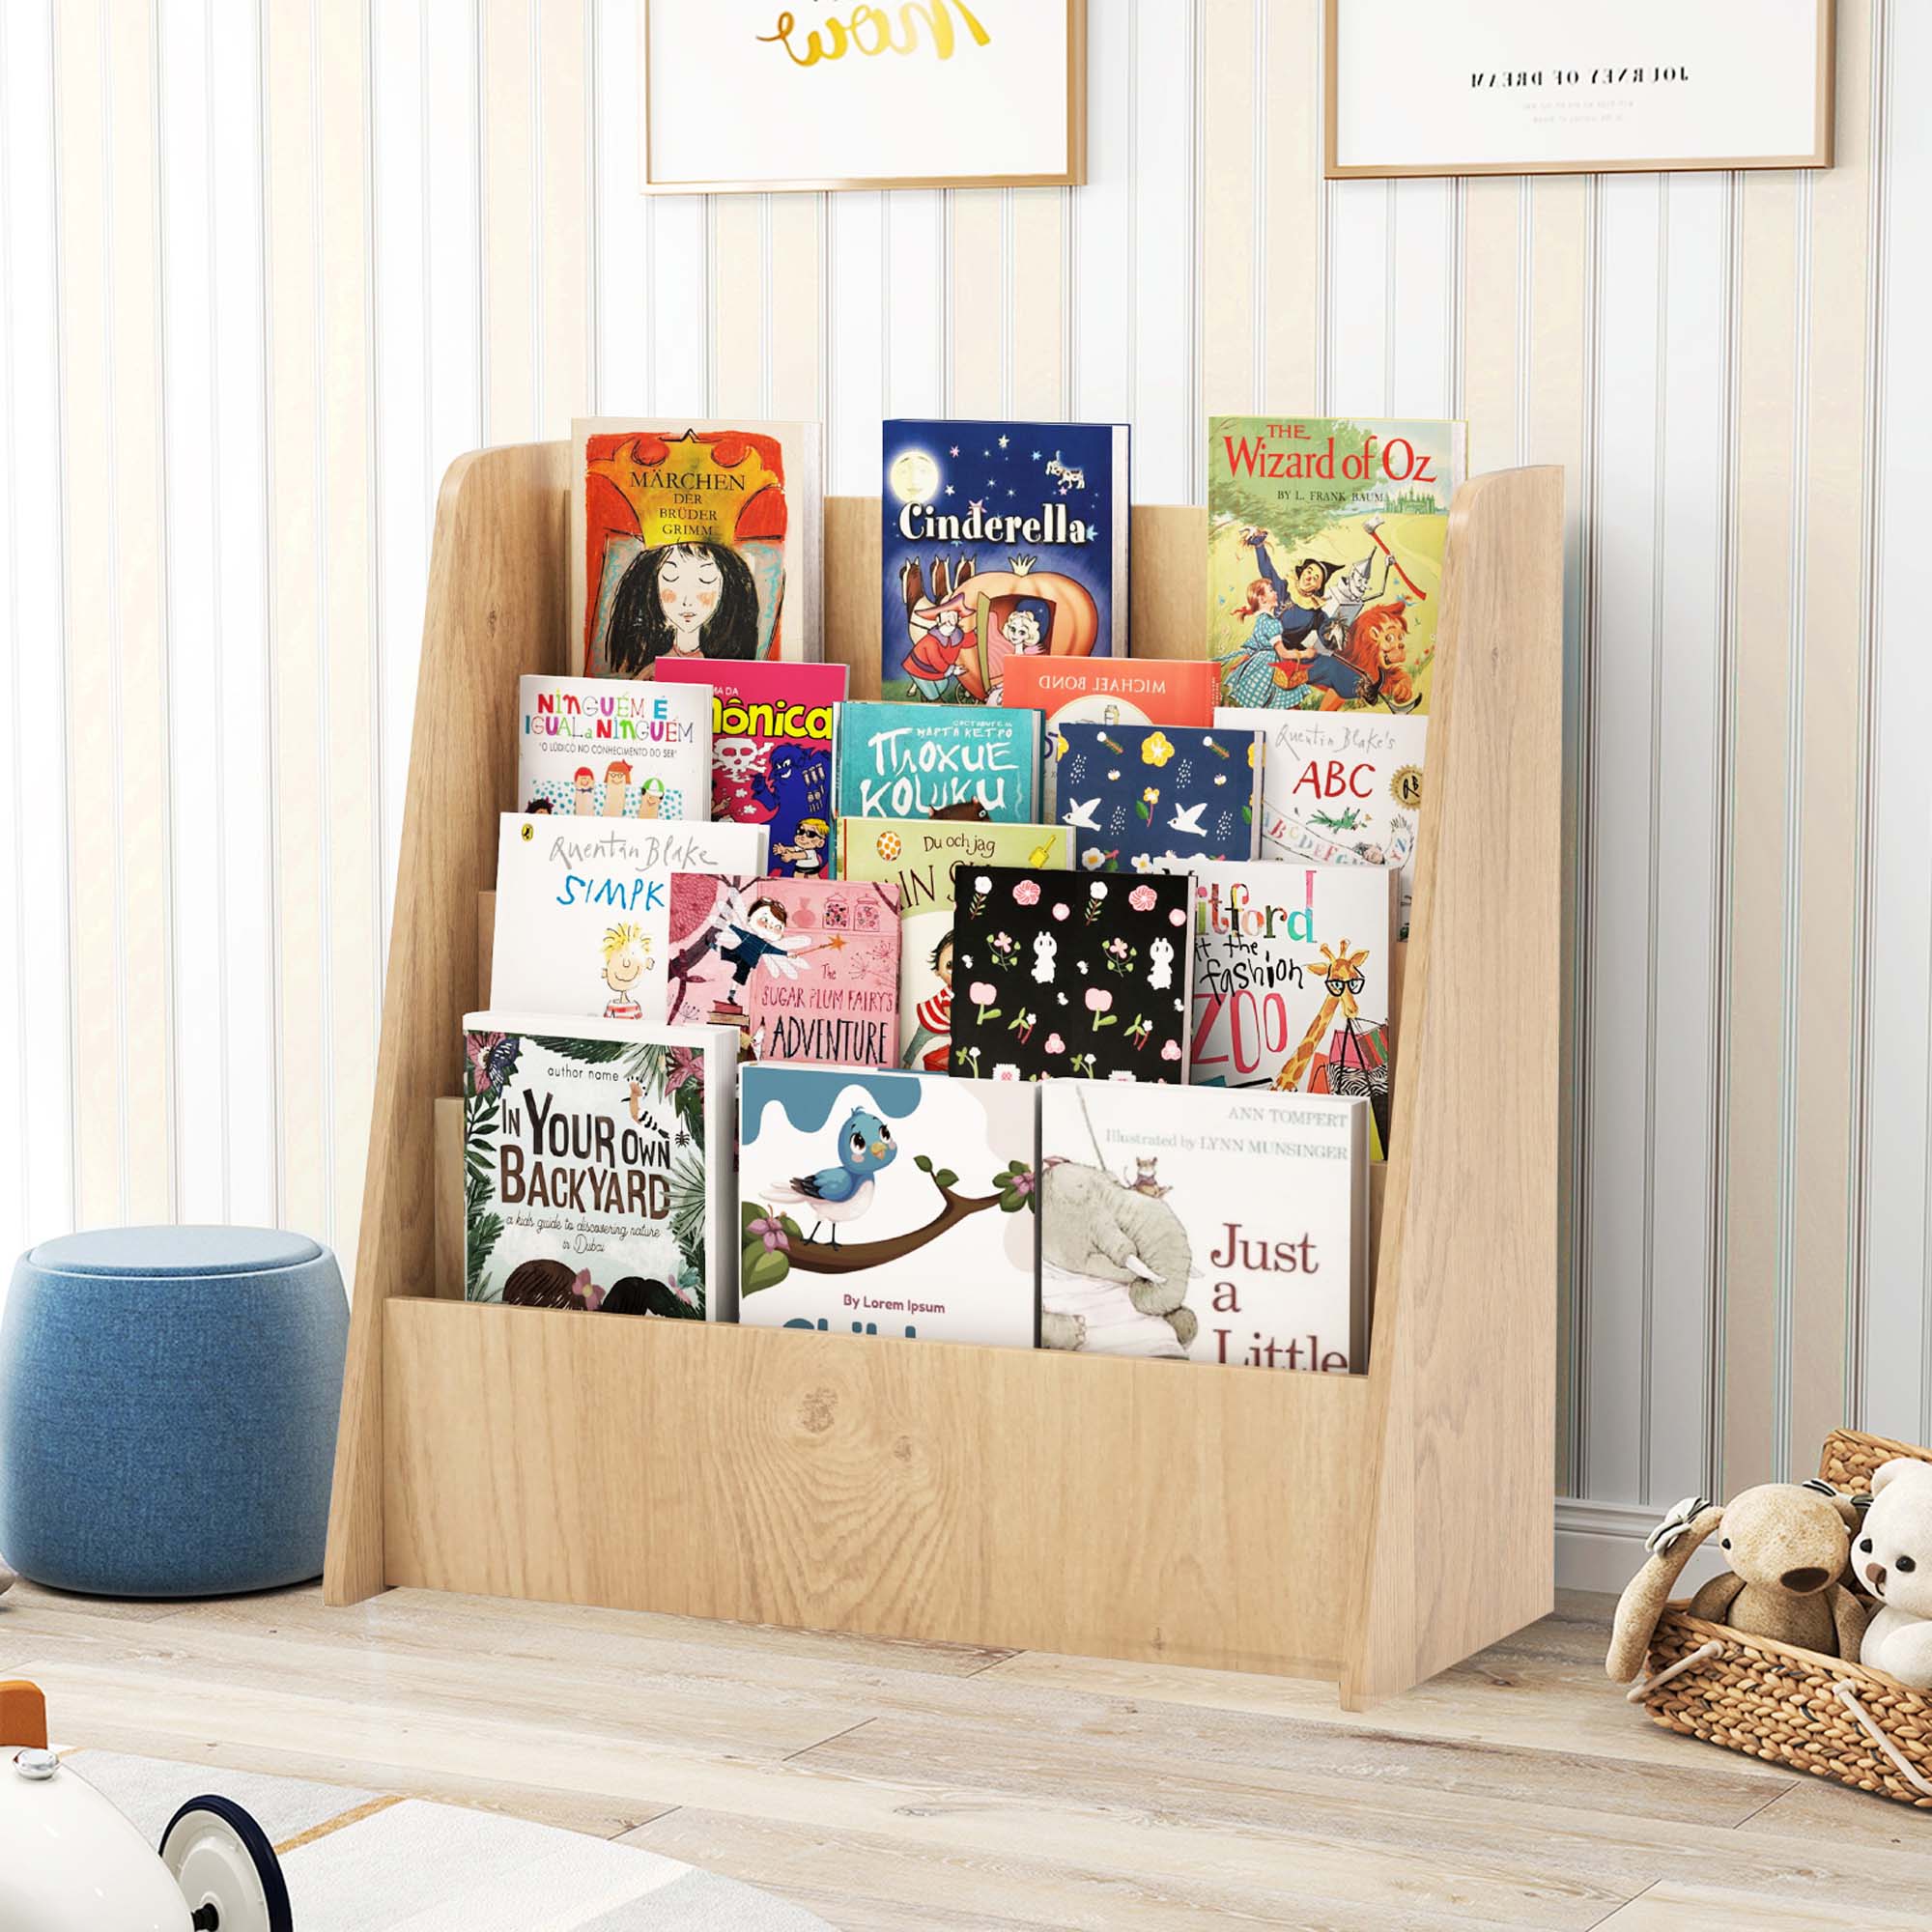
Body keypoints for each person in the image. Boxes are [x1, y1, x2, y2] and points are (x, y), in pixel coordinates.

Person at [604, 540, 761, 672]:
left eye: (706, 579)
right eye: (670, 578)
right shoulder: (649, 668)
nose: (687, 600)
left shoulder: (727, 667)